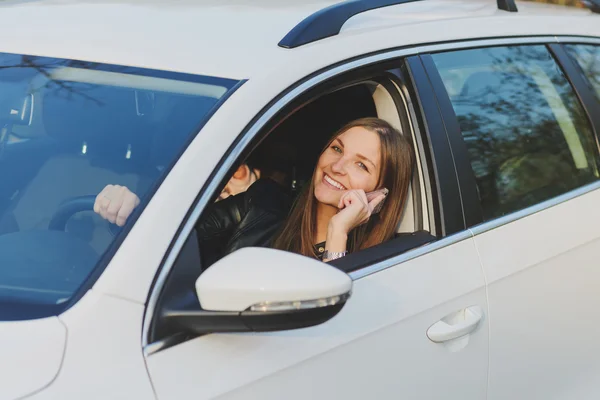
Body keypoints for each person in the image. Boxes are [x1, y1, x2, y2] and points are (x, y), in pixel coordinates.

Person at [94, 117, 414, 263]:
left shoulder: (386, 259)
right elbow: (175, 236)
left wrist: (338, 231)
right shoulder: (264, 201)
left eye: (362, 165)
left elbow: (332, 321)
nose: (337, 166)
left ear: (380, 194)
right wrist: (132, 211)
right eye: (336, 149)